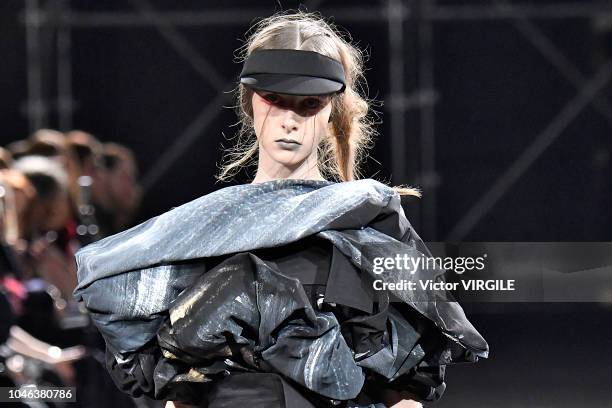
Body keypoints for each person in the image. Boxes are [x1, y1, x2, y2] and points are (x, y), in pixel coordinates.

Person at [74, 11, 488, 408]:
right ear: (249, 101)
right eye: (274, 99)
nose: (289, 119)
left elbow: (404, 388)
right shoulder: (203, 230)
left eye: (309, 104)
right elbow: (183, 390)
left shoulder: (369, 222)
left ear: (331, 113)